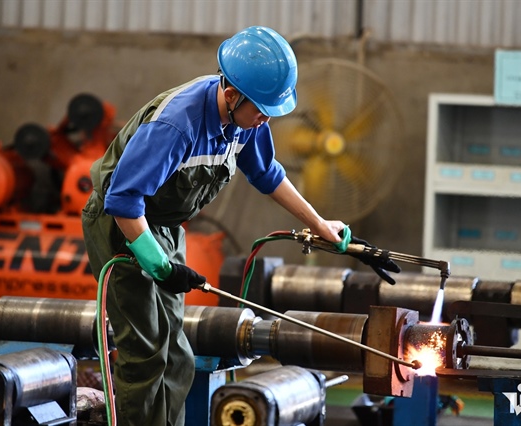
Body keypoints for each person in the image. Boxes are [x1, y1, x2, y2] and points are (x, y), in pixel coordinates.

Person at [81, 26, 346, 426]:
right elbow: (123, 200)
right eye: (261, 110)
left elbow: (267, 174)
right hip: (123, 227)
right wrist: (158, 264)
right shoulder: (176, 125)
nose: (265, 120)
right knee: (145, 353)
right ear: (232, 94)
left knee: (177, 354)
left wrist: (321, 224)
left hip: (165, 226)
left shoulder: (247, 121)